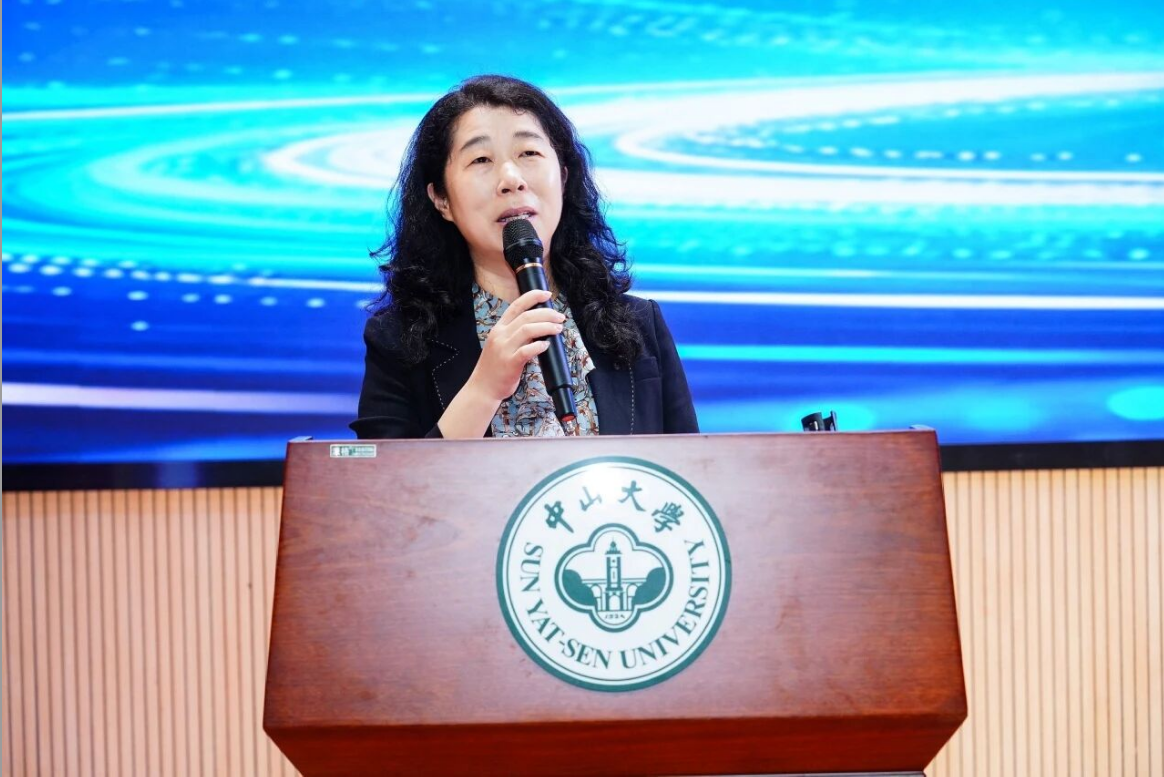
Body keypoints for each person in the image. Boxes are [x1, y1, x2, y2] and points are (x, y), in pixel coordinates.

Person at [350, 75, 698, 439]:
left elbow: (694, 464)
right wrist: (483, 390)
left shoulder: (639, 324)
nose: (511, 179)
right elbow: (384, 474)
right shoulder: (399, 340)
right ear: (442, 199)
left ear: (563, 176)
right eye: (481, 159)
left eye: (529, 153)